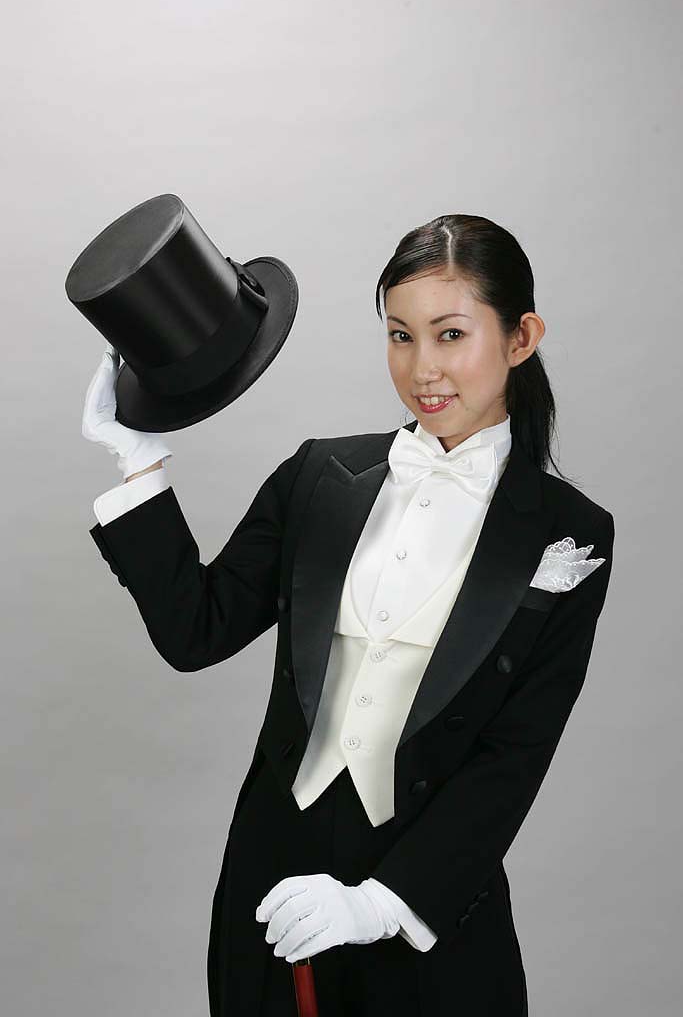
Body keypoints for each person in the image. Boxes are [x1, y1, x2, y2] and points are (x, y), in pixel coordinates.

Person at [83, 213, 615, 1016]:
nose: (422, 369)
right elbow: (197, 631)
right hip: (273, 894)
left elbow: (512, 755)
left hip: (427, 912)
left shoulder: (571, 531)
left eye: (449, 334)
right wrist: (136, 461)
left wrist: (379, 904)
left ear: (520, 338)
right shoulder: (316, 477)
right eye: (400, 336)